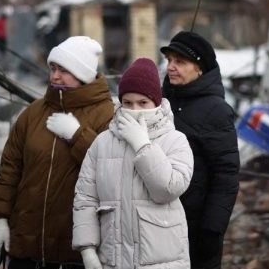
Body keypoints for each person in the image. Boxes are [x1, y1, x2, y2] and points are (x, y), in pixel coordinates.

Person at [0, 36, 114, 268]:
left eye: (64, 70)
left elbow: (111, 173)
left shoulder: (107, 115)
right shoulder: (33, 113)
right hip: (26, 250)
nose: (55, 76)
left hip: (75, 253)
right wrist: (0, 218)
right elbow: (10, 168)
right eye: (53, 68)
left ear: (84, 73)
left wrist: (78, 136)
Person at [72, 58, 193, 269]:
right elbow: (85, 199)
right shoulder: (102, 143)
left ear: (156, 102)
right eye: (128, 103)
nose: (135, 109)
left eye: (143, 103)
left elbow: (168, 189)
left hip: (162, 261)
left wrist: (143, 145)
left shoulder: (175, 140)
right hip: (113, 260)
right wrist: (88, 250)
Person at [159, 31, 240, 269]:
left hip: (196, 230)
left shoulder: (216, 110)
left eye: (180, 62)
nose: (171, 67)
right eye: (169, 61)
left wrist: (212, 229)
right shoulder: (161, 103)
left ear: (200, 69)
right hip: (158, 222)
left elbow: (226, 175)